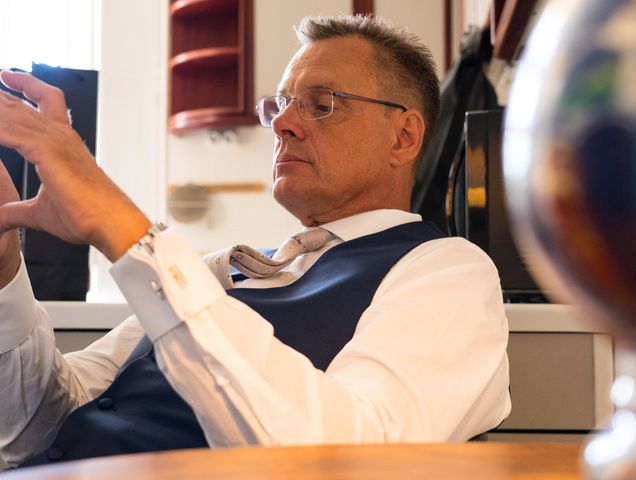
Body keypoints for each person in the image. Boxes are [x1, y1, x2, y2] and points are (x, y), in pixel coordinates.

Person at [0, 15, 510, 468]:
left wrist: (122, 228)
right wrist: (5, 268)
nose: (283, 124)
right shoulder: (221, 270)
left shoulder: (445, 269)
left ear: (403, 137)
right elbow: (42, 429)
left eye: (323, 105)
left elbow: (359, 454)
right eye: (282, 104)